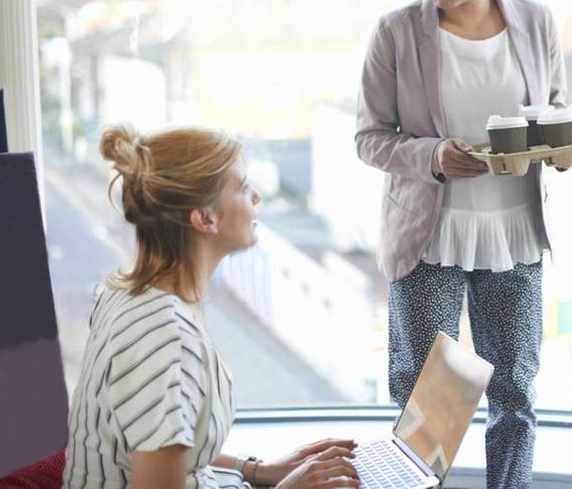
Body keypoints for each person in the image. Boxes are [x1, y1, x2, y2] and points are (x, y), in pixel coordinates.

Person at [355, 0, 566, 488]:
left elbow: (555, 108)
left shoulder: (537, 21)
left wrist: (553, 146)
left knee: (515, 393)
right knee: (428, 406)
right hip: (430, 235)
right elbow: (370, 139)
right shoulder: (396, 32)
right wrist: (433, 157)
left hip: (514, 232)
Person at [63, 124, 361, 488]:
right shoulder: (163, 341)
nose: (257, 198)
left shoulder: (128, 293)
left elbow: (160, 442)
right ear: (205, 218)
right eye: (242, 187)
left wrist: (255, 470)